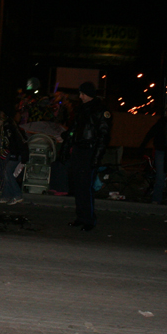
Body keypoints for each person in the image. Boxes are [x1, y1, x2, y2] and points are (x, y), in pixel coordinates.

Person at [61, 82, 112, 231]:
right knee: (78, 185)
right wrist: (65, 148)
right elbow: (73, 130)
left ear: (89, 94)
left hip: (89, 151)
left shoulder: (101, 111)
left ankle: (89, 219)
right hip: (78, 150)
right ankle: (81, 217)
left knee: (86, 187)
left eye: (82, 94)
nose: (80, 96)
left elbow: (103, 136)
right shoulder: (81, 110)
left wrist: (96, 157)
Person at [0, 111, 28, 205]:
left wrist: (9, 155)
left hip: (17, 154)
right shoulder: (8, 126)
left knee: (7, 172)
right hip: (16, 153)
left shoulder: (8, 128)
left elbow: (13, 144)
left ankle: (17, 194)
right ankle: (6, 195)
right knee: (6, 173)